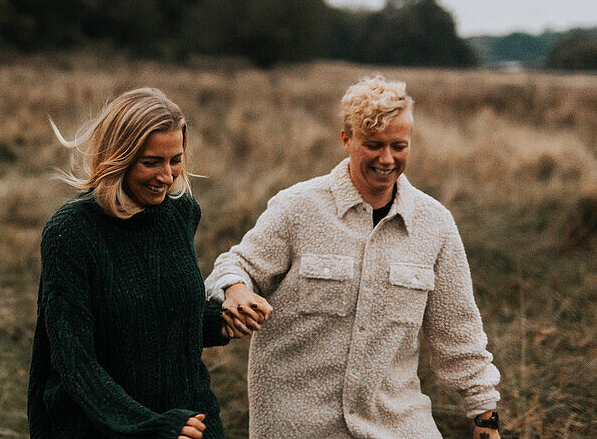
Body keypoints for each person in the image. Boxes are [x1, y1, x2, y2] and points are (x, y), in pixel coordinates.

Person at [206, 75, 502, 439]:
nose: (387, 158)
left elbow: (459, 332)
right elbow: (234, 266)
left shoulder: (435, 224)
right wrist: (236, 290)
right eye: (374, 145)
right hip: (298, 425)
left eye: (399, 145)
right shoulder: (298, 207)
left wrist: (484, 416)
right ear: (346, 139)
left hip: (397, 423)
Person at [28, 88, 229, 438]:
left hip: (189, 419)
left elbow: (164, 317)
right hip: (99, 426)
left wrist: (224, 319)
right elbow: (75, 363)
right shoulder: (70, 233)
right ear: (117, 157)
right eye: (151, 162)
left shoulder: (180, 212)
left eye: (176, 160)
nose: (167, 177)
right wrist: (147, 426)